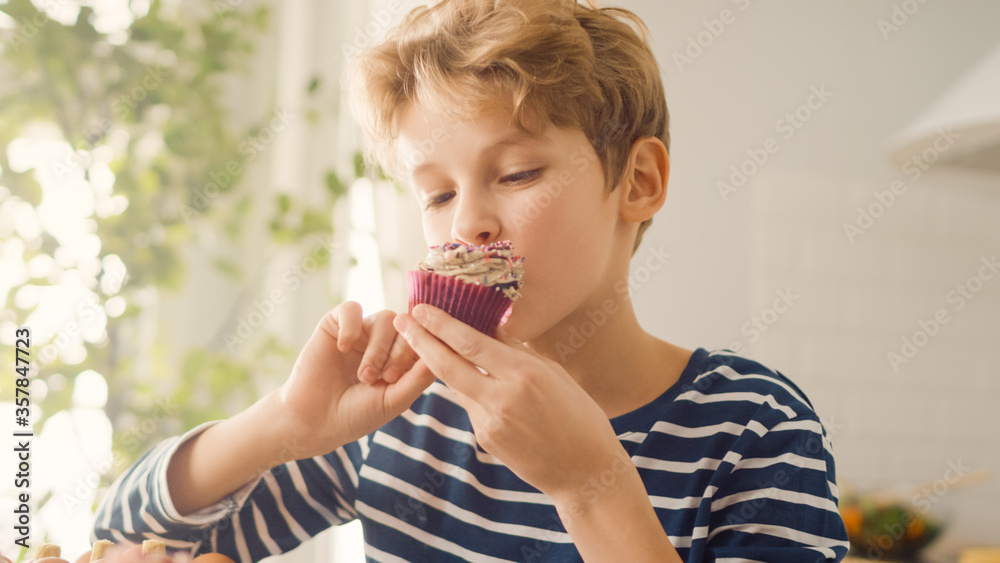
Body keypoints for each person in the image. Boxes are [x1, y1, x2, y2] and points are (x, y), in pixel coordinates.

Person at [92, 0, 849, 561]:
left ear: (640, 182)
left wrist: (591, 486)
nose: (467, 226)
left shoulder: (755, 428)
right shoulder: (405, 416)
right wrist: (283, 424)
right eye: (439, 193)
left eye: (516, 172)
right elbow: (128, 536)